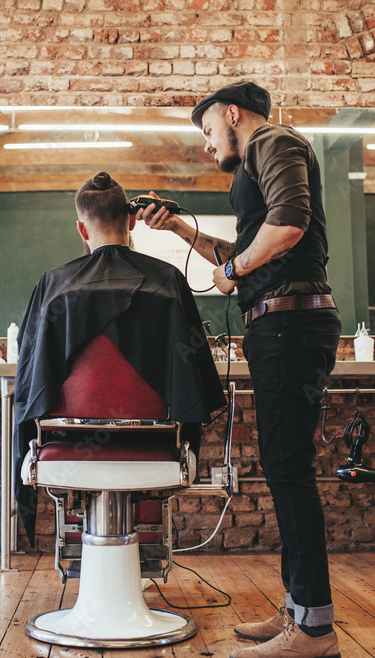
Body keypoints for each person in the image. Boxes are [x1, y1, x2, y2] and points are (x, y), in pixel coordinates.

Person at [139, 81, 342, 658]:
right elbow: (250, 251)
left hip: (290, 326)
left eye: (207, 131)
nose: (207, 145)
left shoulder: (271, 142)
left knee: (290, 471)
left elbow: (289, 227)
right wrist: (180, 230)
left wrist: (234, 266)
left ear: (233, 114)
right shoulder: (259, 161)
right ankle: (298, 609)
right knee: (284, 469)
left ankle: (314, 627)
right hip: (279, 323)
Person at [13, 171, 226, 546]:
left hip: (70, 441)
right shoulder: (169, 281)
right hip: (154, 442)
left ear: (82, 229)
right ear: (131, 221)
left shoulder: (52, 285)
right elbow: (193, 381)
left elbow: (32, 379)